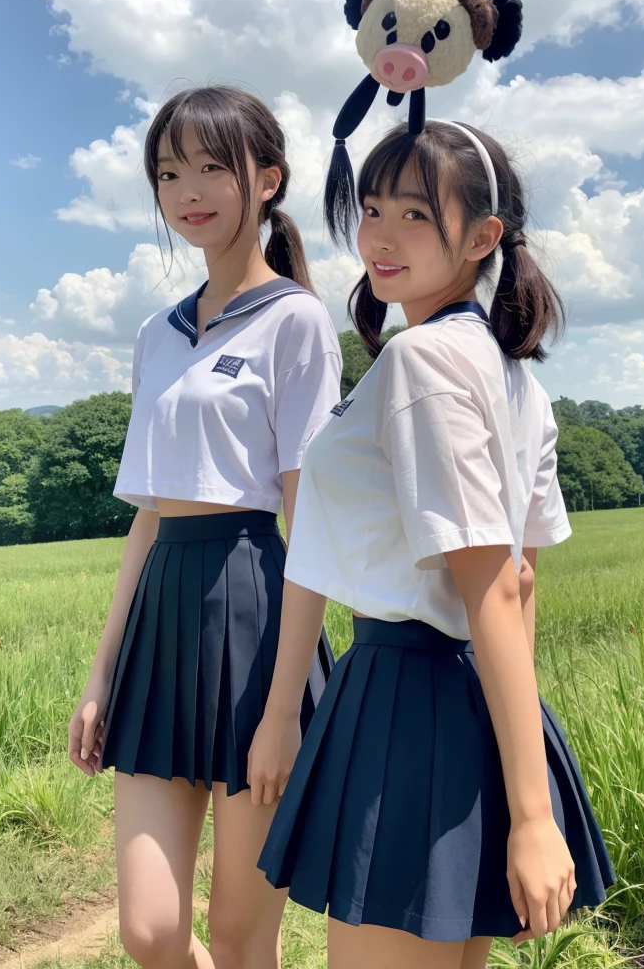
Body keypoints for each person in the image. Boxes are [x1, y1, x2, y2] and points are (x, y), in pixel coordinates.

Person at [250, 119, 615, 969]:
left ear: (483, 237)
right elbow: (522, 583)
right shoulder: (511, 370)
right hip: (470, 708)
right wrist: (514, 773)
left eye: (415, 215)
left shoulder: (423, 363)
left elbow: (496, 582)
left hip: (401, 706)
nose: (379, 235)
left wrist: (530, 816)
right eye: (372, 208)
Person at [67, 85, 341, 969]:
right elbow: (147, 516)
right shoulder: (157, 332)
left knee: (237, 933)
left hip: (255, 617)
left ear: (267, 178)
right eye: (167, 171)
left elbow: (316, 524)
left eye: (211, 167)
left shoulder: (296, 320)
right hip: (161, 618)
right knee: (151, 934)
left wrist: (281, 713)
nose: (187, 188)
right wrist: (102, 672)